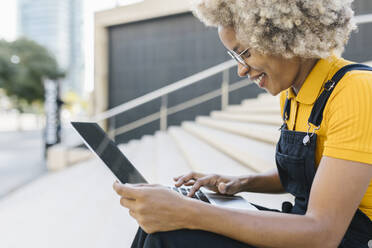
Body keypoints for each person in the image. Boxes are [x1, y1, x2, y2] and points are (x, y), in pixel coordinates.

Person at [113, 0, 372, 247]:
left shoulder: (356, 91)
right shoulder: (291, 96)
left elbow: (322, 234)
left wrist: (186, 211)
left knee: (169, 235)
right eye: (235, 57)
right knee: (159, 227)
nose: (241, 70)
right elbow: (312, 173)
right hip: (302, 226)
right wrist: (241, 182)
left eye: (245, 53)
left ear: (285, 34)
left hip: (336, 238)